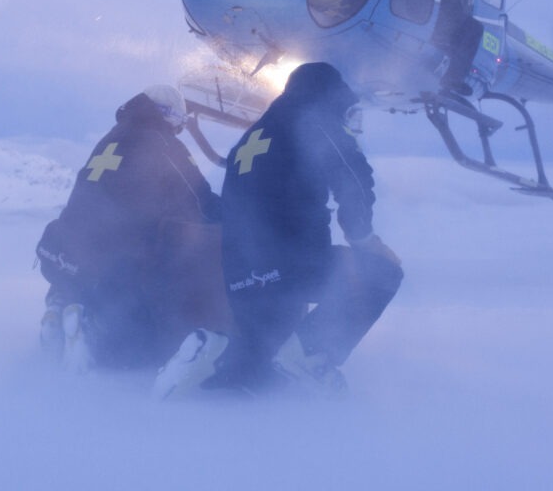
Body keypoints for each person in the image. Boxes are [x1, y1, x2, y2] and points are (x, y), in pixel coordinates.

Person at [154, 62, 404, 398]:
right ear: (329, 96)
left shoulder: (250, 138)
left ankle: (212, 351)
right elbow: (354, 180)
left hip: (241, 276)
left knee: (265, 367)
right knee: (383, 274)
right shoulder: (315, 121)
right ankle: (312, 355)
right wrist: (364, 240)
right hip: (289, 265)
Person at [35, 84, 223, 372]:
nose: (179, 129)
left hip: (68, 249)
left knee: (96, 285)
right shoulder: (163, 143)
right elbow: (198, 196)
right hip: (117, 255)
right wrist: (234, 216)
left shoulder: (112, 138)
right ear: (169, 115)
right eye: (179, 121)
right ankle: (92, 332)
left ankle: (62, 308)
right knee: (143, 338)